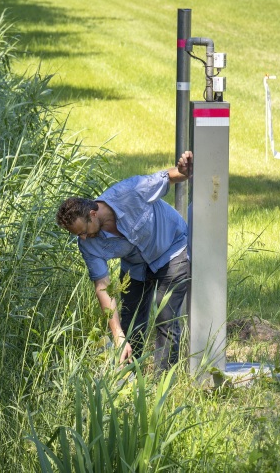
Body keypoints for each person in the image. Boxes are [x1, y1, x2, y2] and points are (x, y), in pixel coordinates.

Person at [55, 151, 193, 370]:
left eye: (83, 231)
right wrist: (117, 334)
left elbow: (167, 177)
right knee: (130, 323)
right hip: (136, 265)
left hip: (171, 248)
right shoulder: (87, 244)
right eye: (77, 235)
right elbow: (102, 286)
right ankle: (129, 378)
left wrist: (183, 172)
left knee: (165, 315)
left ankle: (164, 384)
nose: (82, 238)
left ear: (93, 214)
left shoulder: (129, 192)